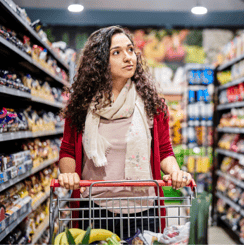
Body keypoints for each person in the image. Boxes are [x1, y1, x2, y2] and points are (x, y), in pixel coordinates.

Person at [57, 26, 192, 239]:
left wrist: (174, 171)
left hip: (144, 210)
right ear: (99, 61)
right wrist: (69, 174)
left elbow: (165, 150)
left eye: (130, 50)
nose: (128, 57)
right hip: (96, 209)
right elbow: (67, 151)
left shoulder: (152, 105)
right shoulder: (82, 106)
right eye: (116, 52)